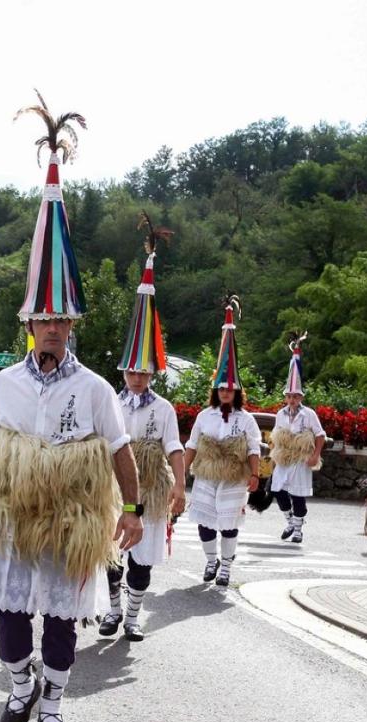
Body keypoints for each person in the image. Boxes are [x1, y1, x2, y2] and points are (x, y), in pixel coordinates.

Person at [0, 100, 142, 722]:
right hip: (12, 518)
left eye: (63, 321)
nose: (53, 329)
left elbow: (117, 452)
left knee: (62, 619)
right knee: (8, 611)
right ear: (28, 326)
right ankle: (20, 680)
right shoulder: (3, 384)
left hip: (73, 520)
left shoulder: (95, 389)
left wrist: (134, 508)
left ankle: (52, 703)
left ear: (71, 326)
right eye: (44, 320)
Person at [100, 214, 186, 642]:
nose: (137, 376)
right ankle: (112, 612)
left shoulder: (164, 409)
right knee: (111, 556)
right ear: (124, 371)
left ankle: (133, 617)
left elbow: (174, 449)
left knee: (143, 560)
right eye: (132, 370)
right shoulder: (109, 403)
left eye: (144, 371)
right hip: (113, 489)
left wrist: (180, 487)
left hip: (150, 494)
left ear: (152, 373)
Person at [185, 300, 261, 586]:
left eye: (230, 388)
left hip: (233, 478)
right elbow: (192, 444)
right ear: (216, 389)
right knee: (205, 523)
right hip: (206, 476)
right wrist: (182, 472)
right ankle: (210, 561)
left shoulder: (247, 420)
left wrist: (254, 474)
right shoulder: (205, 416)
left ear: (237, 390)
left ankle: (226, 566)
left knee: (229, 524)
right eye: (222, 388)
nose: (226, 391)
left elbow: (253, 448)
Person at [270, 334, 325, 544]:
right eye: (289, 396)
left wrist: (315, 455)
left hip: (301, 458)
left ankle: (298, 529)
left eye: (295, 396)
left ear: (301, 397)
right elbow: (276, 437)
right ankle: (290, 521)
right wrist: (274, 452)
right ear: (286, 397)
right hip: (284, 458)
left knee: (298, 495)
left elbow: (320, 435)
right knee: (278, 491)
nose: (292, 400)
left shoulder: (308, 414)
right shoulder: (281, 414)